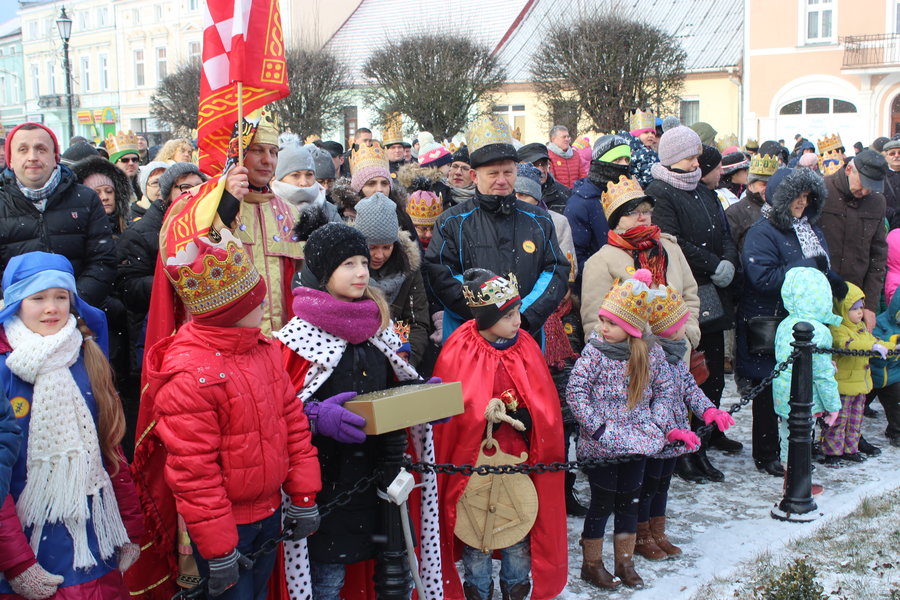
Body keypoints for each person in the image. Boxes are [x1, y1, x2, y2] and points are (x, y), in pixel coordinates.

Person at [146, 229, 321, 600]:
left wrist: (304, 494)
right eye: (256, 302)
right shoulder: (190, 375)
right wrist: (219, 546)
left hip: (269, 513)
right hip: (227, 525)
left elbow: (292, 425)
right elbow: (194, 472)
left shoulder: (263, 351)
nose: (265, 307)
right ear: (232, 312)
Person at [274, 222, 440, 600]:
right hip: (326, 482)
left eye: (364, 262)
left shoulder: (377, 327)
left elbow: (393, 384)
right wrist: (315, 417)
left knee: (393, 567)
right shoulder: (297, 337)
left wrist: (420, 399)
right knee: (327, 579)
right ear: (323, 271)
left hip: (380, 475)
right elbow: (276, 413)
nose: (362, 272)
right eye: (348, 264)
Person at [0, 252, 144, 598]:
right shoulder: (5, 369)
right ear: (16, 303)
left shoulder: (86, 355)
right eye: (37, 298)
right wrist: (16, 562)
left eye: (61, 297)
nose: (51, 308)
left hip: (93, 542)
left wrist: (130, 527)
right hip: (29, 542)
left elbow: (109, 449)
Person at [432, 268, 566, 600]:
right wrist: (480, 417)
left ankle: (515, 586)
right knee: (475, 529)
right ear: (486, 318)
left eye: (517, 311)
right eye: (508, 315)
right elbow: (451, 411)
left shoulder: (526, 347)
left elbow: (543, 403)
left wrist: (527, 417)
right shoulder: (461, 347)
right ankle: (478, 589)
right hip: (474, 463)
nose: (518, 321)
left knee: (518, 525)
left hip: (520, 460)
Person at [566, 270, 680, 590]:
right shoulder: (594, 353)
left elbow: (665, 389)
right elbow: (576, 392)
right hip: (602, 444)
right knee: (602, 503)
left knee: (630, 501)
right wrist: (597, 428)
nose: (603, 327)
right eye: (602, 320)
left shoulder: (649, 353)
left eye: (612, 323)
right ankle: (592, 563)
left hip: (639, 439)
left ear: (631, 328)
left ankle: (625, 562)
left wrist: (656, 422)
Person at [424, 115, 569, 343]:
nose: (502, 180)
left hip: (524, 333)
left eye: (508, 172)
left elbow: (555, 271)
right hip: (470, 336)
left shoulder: (539, 220)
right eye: (493, 173)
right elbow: (442, 274)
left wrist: (521, 315)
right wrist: (491, 316)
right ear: (475, 176)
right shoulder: (451, 222)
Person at [648, 126, 741, 474]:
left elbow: (724, 231)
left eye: (697, 156)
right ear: (673, 158)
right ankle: (686, 447)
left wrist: (728, 259)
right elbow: (672, 242)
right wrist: (713, 264)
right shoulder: (660, 193)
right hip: (684, 292)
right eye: (690, 157)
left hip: (714, 291)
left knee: (712, 371)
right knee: (687, 373)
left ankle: (709, 431)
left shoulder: (704, 191)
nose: (696, 163)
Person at [738, 167, 835, 477]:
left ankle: (797, 446)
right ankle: (767, 452)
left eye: (807, 197)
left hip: (803, 322)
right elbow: (761, 277)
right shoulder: (762, 231)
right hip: (770, 320)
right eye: (797, 196)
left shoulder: (808, 228)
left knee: (801, 386)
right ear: (781, 198)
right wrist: (806, 270)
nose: (802, 203)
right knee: (768, 387)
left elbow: (822, 267)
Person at [635, 283, 733, 561]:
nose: (685, 330)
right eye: (680, 326)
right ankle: (642, 535)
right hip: (657, 436)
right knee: (648, 485)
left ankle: (658, 532)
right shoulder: (651, 359)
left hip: (677, 435)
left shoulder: (677, 355)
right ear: (664, 329)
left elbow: (690, 388)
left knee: (663, 485)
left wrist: (709, 411)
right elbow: (649, 402)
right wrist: (669, 430)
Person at [0, 123, 116, 309]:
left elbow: (102, 261)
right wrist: (19, 308)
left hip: (79, 313)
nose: (32, 157)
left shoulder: (86, 199)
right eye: (23, 149)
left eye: (41, 149)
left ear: (55, 157)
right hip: (15, 316)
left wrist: (72, 304)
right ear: (11, 160)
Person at [579, 175, 700, 350]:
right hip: (632, 358)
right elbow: (595, 321)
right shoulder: (600, 261)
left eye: (646, 211)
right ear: (616, 219)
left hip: (678, 351)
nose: (642, 217)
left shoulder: (670, 247)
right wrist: (626, 351)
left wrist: (687, 332)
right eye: (632, 212)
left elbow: (690, 295)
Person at [773, 267, 841, 489]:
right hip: (804, 394)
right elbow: (821, 375)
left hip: (783, 390)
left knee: (789, 434)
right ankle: (798, 485)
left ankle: (790, 478)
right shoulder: (818, 330)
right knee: (802, 436)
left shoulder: (786, 323)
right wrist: (833, 405)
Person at [353, 192, 431, 368]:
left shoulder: (408, 269)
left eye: (387, 247)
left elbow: (417, 321)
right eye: (372, 247)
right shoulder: (344, 270)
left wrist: (406, 359)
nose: (379, 255)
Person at [819, 150, 889, 338]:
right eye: (863, 184)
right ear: (849, 169)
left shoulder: (877, 202)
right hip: (820, 294)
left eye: (871, 188)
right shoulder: (822, 190)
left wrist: (870, 305)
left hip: (855, 299)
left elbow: (878, 256)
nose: (865, 192)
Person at [825, 283, 895, 466]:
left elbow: (875, 341)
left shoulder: (861, 328)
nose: (859, 312)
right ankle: (833, 452)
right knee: (839, 420)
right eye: (854, 308)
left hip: (860, 385)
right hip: (844, 385)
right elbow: (847, 344)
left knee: (855, 421)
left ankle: (851, 448)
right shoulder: (838, 329)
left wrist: (892, 347)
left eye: (861, 308)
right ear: (842, 309)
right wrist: (872, 346)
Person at [564, 134, 631, 283]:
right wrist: (608, 276)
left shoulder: (630, 196)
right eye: (617, 160)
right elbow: (575, 257)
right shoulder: (581, 203)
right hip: (600, 285)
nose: (624, 165)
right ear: (601, 163)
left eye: (627, 160)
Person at [514, 163, 576, 267]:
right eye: (513, 194)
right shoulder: (503, 220)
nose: (516, 200)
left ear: (536, 197)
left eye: (523, 195)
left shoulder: (558, 222)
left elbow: (567, 266)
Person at [271, 144, 342, 222]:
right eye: (295, 175)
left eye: (309, 174)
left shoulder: (329, 210)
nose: (304, 182)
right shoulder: (267, 209)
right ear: (279, 178)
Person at [725, 153, 778, 253]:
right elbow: (730, 248)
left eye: (772, 184)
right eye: (763, 184)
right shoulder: (735, 213)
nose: (768, 188)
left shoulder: (783, 208)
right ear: (750, 185)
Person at [517, 143, 571, 214]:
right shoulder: (510, 193)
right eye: (534, 164)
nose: (541, 170)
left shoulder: (564, 193)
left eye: (543, 164)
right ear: (519, 166)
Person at [107, 131, 143, 201]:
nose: (131, 163)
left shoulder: (145, 184)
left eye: (135, 159)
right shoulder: (108, 187)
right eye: (125, 160)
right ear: (114, 164)